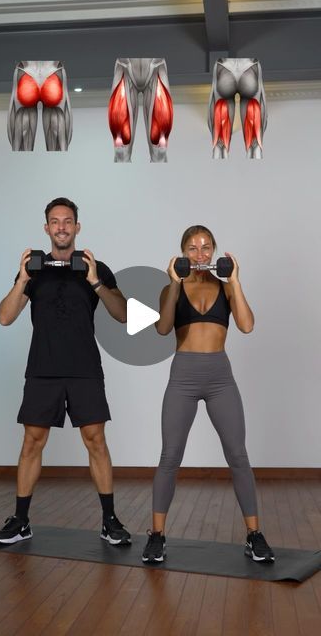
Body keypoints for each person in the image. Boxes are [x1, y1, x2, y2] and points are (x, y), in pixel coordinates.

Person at [0, 197, 131, 546]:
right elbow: (5, 316)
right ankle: (21, 521)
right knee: (32, 444)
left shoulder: (94, 266)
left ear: (77, 227)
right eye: (55, 222)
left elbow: (124, 314)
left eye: (68, 221)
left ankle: (109, 520)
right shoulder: (34, 269)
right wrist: (22, 278)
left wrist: (97, 280)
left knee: (96, 441)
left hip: (84, 368)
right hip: (43, 368)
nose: (62, 227)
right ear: (46, 228)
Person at [142, 225, 274, 563]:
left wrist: (238, 283)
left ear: (214, 251)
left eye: (205, 248)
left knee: (238, 456)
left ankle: (254, 535)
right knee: (170, 456)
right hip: (183, 376)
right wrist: (174, 282)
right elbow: (161, 328)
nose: (200, 255)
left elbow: (246, 325)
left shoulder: (226, 287)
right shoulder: (171, 287)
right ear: (182, 253)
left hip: (219, 377)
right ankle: (156, 536)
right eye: (192, 248)